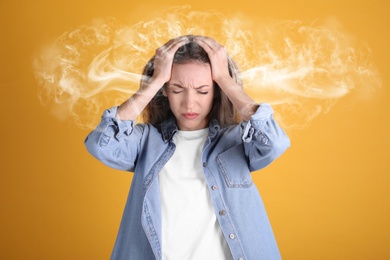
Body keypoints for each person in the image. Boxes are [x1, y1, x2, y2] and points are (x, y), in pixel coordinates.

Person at [85, 35, 290, 260]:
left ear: (216, 90)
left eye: (202, 91)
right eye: (176, 89)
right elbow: (102, 144)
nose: (190, 103)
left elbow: (274, 142)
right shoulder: (145, 141)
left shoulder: (237, 141)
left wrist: (224, 78)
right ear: (164, 90)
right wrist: (155, 80)